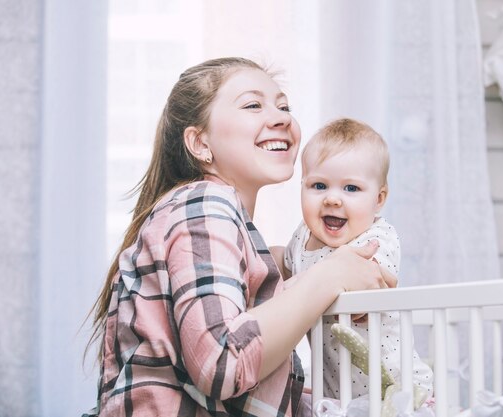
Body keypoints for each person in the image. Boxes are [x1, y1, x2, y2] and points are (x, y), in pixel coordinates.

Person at [84, 58, 396, 417]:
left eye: (284, 106)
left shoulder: (214, 221)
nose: (281, 118)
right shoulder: (204, 203)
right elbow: (222, 364)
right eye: (253, 105)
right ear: (200, 143)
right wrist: (329, 276)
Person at [280, 118, 433, 401]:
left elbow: (366, 278)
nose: (333, 199)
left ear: (379, 199)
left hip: (397, 389)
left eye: (351, 189)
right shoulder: (301, 239)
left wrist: (294, 289)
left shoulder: (377, 238)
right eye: (319, 186)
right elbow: (280, 268)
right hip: (340, 395)